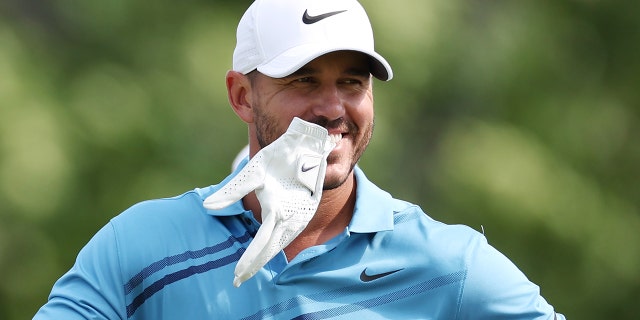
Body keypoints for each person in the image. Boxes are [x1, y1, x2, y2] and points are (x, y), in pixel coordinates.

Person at [34, 0, 566, 319]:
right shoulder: (141, 245)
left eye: (352, 83)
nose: (333, 108)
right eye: (304, 81)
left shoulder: (449, 263)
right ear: (242, 96)